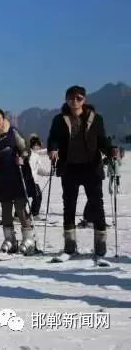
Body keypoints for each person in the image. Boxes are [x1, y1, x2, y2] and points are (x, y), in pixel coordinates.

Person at [47, 85, 118, 257]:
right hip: (69, 167)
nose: (74, 101)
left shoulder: (96, 119)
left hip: (91, 167)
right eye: (71, 98)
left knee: (97, 204)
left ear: (84, 100)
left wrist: (111, 150)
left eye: (78, 98)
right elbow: (53, 138)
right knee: (69, 205)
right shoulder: (59, 119)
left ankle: (100, 244)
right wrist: (53, 148)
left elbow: (102, 140)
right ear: (66, 100)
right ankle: (70, 244)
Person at [0, 108, 37, 254]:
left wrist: (23, 157)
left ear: (3, 120)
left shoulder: (12, 132)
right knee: (6, 209)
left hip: (18, 174)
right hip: (2, 176)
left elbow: (26, 149)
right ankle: (10, 239)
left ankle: (28, 239)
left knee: (20, 208)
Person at [28, 135, 52, 220]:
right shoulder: (31, 155)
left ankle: (22, 214)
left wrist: (48, 173)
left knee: (27, 197)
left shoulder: (36, 155)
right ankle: (33, 214)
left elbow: (38, 170)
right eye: (37, 145)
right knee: (37, 196)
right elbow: (30, 168)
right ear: (33, 145)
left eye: (39, 145)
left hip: (33, 180)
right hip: (31, 180)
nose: (38, 147)